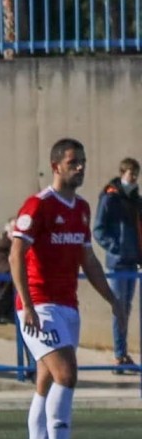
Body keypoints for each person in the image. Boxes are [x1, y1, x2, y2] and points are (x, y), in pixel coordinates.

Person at [11, 138, 125, 439]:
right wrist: (27, 304)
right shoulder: (39, 205)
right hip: (39, 306)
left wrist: (112, 299)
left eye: (84, 162)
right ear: (56, 165)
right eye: (74, 162)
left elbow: (87, 259)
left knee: (45, 384)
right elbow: (16, 255)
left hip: (67, 308)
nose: (81, 168)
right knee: (67, 374)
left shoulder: (82, 208)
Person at [92, 157, 141, 373]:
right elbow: (99, 229)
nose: (133, 178)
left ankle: (123, 354)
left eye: (136, 175)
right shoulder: (110, 198)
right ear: (122, 173)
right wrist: (116, 247)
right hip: (118, 263)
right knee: (118, 307)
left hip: (133, 263)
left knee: (127, 309)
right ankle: (119, 355)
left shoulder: (136, 200)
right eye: (130, 174)